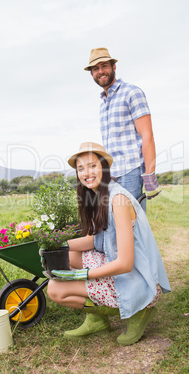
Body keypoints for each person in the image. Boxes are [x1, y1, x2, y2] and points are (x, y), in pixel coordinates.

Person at [46, 142, 171, 346]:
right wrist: (56, 243)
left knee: (55, 288)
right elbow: (94, 240)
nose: (87, 172)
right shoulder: (98, 196)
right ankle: (98, 319)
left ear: (104, 167)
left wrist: (82, 275)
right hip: (117, 264)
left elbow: (125, 264)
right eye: (81, 168)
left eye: (92, 166)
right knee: (65, 257)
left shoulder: (118, 200)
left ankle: (139, 311)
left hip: (137, 278)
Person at [84, 47, 161, 206]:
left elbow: (147, 135)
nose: (100, 71)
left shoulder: (131, 93)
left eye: (104, 66)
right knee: (116, 225)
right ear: (92, 74)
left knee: (134, 225)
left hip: (131, 171)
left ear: (114, 67)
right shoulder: (103, 104)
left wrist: (149, 176)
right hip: (111, 174)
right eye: (95, 69)